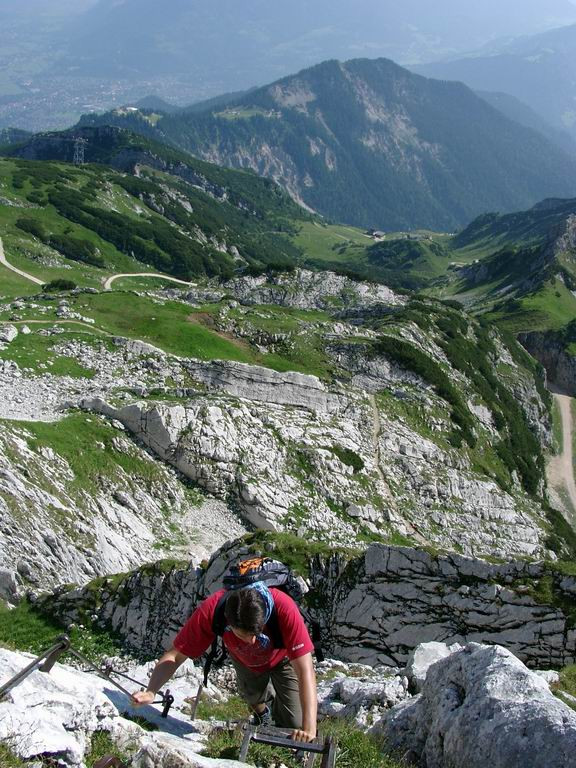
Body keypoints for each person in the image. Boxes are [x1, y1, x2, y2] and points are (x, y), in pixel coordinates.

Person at [132, 582, 318, 742]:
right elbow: (175, 655)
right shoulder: (213, 609)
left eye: (256, 634)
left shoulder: (284, 607)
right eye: (242, 635)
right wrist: (151, 691)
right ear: (229, 622)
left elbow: (305, 671)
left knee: (294, 724)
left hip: (283, 659)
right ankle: (264, 714)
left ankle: (280, 714)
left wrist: (309, 728)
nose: (252, 642)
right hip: (245, 660)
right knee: (252, 696)